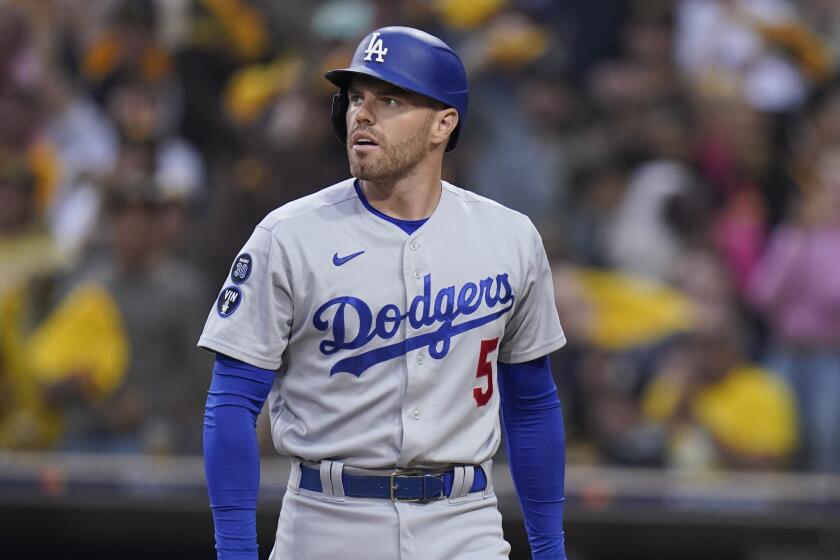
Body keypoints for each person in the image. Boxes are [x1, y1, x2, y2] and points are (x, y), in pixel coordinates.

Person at [199, 27, 568, 559]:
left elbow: (532, 403)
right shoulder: (289, 235)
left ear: (444, 122)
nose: (361, 116)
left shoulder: (509, 238)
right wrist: (234, 553)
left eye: (389, 100)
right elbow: (231, 401)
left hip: (464, 524)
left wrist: (550, 550)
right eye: (355, 99)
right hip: (328, 522)